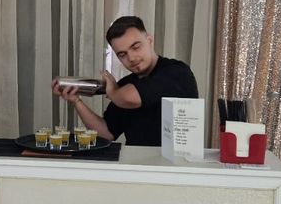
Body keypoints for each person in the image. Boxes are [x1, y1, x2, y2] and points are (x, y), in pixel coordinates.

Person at [52, 16, 198, 146]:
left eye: (136, 47)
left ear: (149, 40)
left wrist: (112, 91)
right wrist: (76, 101)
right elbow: (106, 133)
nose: (131, 58)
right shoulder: (124, 87)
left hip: (175, 165)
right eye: (122, 54)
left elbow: (131, 99)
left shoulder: (176, 71)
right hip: (134, 163)